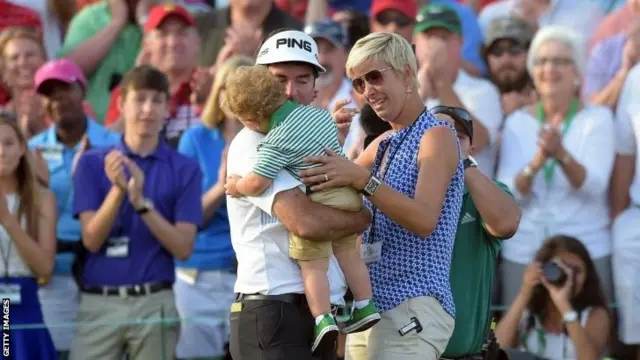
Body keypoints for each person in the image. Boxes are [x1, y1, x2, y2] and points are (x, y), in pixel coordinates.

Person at [300, 31, 464, 360]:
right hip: (371, 309)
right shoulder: (380, 144)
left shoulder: (437, 135)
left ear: (406, 72)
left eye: (373, 77)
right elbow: (323, 186)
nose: (367, 91)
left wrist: (364, 181)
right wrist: (332, 139)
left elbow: (424, 219)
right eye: (358, 84)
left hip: (413, 301)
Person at [227, 29, 370, 360]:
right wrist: (360, 217)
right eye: (279, 79)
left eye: (302, 80)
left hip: (316, 313)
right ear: (259, 84)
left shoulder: (310, 134)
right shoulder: (252, 141)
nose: (290, 92)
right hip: (272, 310)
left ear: (315, 87)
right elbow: (306, 222)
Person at [70, 65, 202, 360]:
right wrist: (118, 192)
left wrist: (141, 204)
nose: (147, 109)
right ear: (121, 104)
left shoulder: (185, 169)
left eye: (157, 100)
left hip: (154, 301)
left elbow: (183, 248)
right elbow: (91, 240)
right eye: (139, 99)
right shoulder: (92, 164)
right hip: (99, 302)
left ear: (167, 107)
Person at [495, 26, 616, 306]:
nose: (549, 68)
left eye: (560, 61)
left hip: (585, 247)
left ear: (577, 72)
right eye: (541, 61)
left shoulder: (597, 120)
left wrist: (561, 154)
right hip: (526, 250)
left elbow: (595, 188)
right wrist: (537, 163)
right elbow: (508, 194)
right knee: (520, 344)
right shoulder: (517, 123)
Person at [28, 58, 120, 358]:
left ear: (82, 91)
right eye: (48, 92)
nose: (57, 98)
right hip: (52, 276)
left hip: (105, 270)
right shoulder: (31, 150)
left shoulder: (113, 144)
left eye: (64, 88)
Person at [173, 55, 251, 360]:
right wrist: (222, 186)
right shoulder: (194, 138)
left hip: (252, 275)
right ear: (217, 93)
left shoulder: (270, 140)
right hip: (199, 276)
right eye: (228, 87)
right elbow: (189, 220)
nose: (235, 96)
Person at [495, 235, 611, 360]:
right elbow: (497, 350)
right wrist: (525, 292)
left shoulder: (596, 314)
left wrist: (563, 305)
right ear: (545, 270)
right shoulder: (529, 310)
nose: (569, 276)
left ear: (587, 275)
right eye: (562, 268)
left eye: (576, 270)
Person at [0, 114, 57, 360]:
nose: (1, 152)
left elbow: (44, 267)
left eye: (9, 143)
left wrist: (9, 222)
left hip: (24, 304)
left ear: (23, 148)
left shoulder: (42, 199)